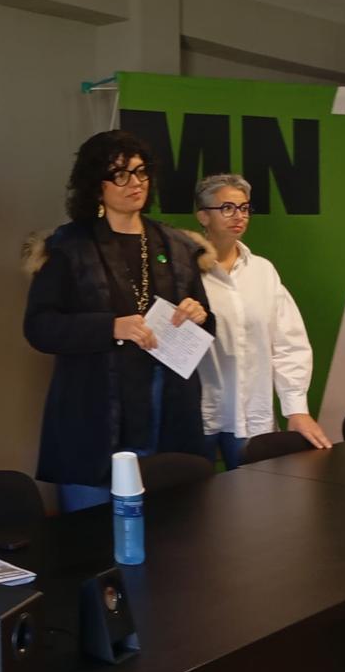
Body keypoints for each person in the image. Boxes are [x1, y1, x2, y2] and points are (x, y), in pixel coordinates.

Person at [24, 130, 215, 511]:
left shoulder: (175, 245)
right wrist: (110, 327)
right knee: (92, 547)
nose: (135, 184)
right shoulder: (69, 247)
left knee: (174, 543)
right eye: (121, 175)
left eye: (141, 173)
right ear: (97, 186)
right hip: (94, 421)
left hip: (167, 414)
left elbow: (206, 326)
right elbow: (39, 327)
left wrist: (200, 315)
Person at [194, 174, 331, 468]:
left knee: (256, 501)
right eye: (227, 208)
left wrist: (296, 408)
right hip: (196, 416)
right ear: (203, 216)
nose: (238, 216)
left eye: (244, 208)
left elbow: (289, 343)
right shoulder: (184, 270)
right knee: (193, 505)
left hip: (250, 413)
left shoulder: (262, 271)